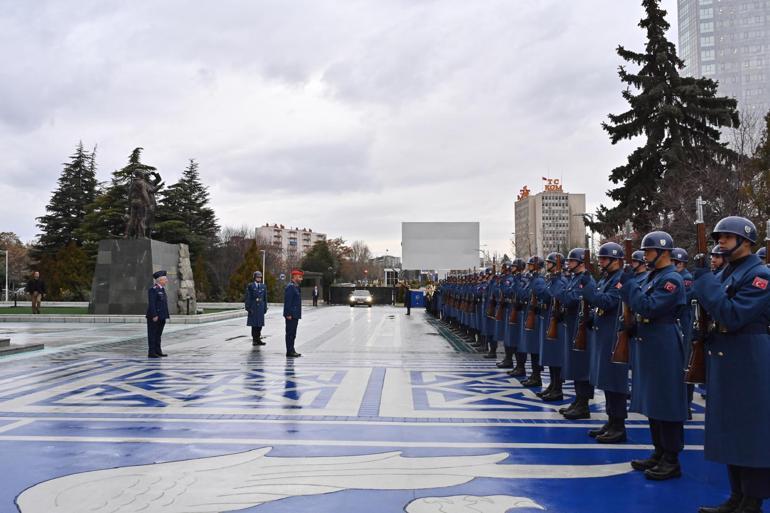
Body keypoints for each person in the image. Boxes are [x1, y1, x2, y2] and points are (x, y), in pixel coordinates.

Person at [693, 217, 770, 513]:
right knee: (731, 429)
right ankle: (736, 496)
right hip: (726, 357)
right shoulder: (728, 272)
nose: (720, 242)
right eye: (719, 237)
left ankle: (752, 501)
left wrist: (704, 282)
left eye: (727, 237)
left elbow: (734, 315)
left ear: (746, 241)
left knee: (751, 431)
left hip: (750, 360)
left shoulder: (759, 275)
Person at [622, 231, 688, 481]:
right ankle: (659, 451)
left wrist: (629, 286)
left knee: (667, 402)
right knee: (654, 401)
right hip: (649, 340)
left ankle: (671, 458)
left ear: (663, 252)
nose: (645, 255)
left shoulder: (672, 279)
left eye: (648, 251)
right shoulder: (654, 276)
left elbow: (648, 306)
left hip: (664, 342)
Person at [582, 242, 628, 443]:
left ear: (616, 260)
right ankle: (611, 421)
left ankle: (619, 425)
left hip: (614, 338)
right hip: (604, 335)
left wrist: (589, 288)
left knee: (615, 382)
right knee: (608, 381)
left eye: (604, 259)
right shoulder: (608, 279)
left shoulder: (620, 280)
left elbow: (607, 301)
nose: (600, 262)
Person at [146, 270, 170, 358]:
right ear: (160, 280)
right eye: (165, 279)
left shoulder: (162, 289)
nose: (166, 281)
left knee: (158, 334)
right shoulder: (153, 290)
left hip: (162, 316)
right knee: (152, 334)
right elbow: (152, 303)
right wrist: (154, 315)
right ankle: (151, 352)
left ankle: (158, 351)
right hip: (155, 317)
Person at [283, 269, 303, 358]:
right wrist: (288, 314)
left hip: (295, 314)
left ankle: (292, 349)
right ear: (294, 276)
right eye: (300, 277)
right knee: (290, 333)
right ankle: (289, 351)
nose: (301, 279)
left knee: (293, 333)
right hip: (291, 315)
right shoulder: (290, 287)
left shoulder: (296, 287)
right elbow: (288, 302)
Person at [245, 271, 268, 346]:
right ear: (254, 277)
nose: (259, 278)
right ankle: (254, 340)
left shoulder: (263, 286)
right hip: (253, 307)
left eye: (260, 277)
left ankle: (258, 339)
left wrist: (265, 307)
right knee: (254, 325)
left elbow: (265, 298)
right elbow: (248, 297)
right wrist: (248, 307)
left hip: (260, 307)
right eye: (257, 277)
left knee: (260, 325)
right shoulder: (250, 286)